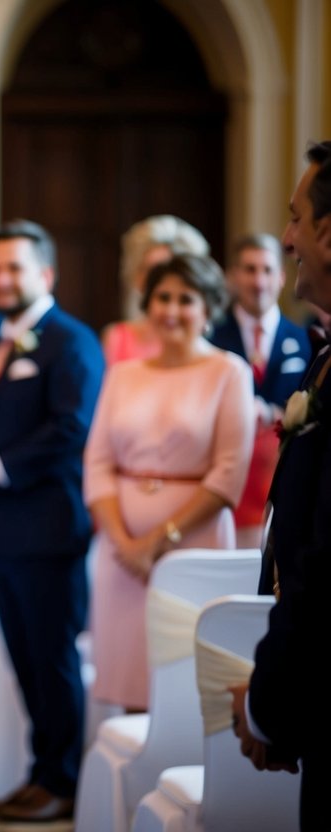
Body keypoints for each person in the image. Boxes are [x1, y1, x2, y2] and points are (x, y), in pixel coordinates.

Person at [0, 219, 103, 822]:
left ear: (46, 274)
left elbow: (72, 430)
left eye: (15, 268)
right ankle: (41, 772)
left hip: (49, 529)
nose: (3, 279)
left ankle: (62, 780)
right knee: (24, 658)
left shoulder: (71, 342)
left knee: (52, 657)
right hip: (1, 529)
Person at [85, 254, 254, 711]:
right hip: (121, 558)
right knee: (128, 680)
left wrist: (160, 540)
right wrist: (123, 541)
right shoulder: (123, 374)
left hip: (194, 548)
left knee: (185, 684)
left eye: (186, 299)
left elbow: (227, 473)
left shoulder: (228, 372)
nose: (171, 310)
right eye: (162, 297)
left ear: (209, 308)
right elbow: (97, 463)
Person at [231, 139, 331, 830]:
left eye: (296, 219)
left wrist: (269, 700)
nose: (287, 237)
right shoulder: (323, 359)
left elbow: (321, 570)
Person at [208, 234, 311, 548]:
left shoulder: (306, 340)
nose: (258, 281)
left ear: (281, 277)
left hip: (279, 485)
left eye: (267, 270)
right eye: (249, 270)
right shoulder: (212, 339)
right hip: (224, 487)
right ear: (233, 276)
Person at [102, 215, 209, 364]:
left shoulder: (209, 350)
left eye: (170, 273)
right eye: (152, 272)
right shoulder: (117, 338)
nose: (162, 284)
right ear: (137, 276)